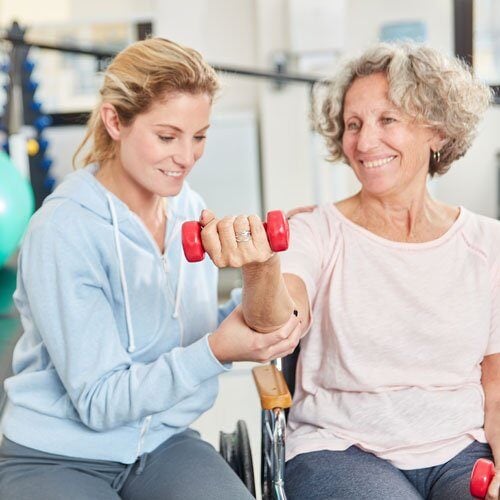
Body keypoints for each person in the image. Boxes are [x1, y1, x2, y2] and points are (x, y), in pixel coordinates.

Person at [0, 37, 302, 500]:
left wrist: (261, 272)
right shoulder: (62, 231)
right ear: (115, 120)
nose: (186, 157)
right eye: (167, 136)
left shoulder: (188, 208)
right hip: (58, 455)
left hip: (163, 444)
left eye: (199, 136)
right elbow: (99, 404)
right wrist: (218, 350)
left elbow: (200, 326)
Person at [198, 43, 500, 499]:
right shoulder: (315, 231)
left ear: (437, 131)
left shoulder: (488, 244)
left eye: (387, 120)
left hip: (459, 451)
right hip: (340, 449)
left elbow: (496, 386)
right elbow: (276, 323)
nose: (363, 141)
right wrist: (263, 267)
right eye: (353, 125)